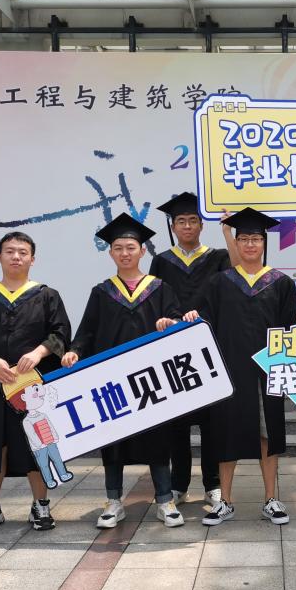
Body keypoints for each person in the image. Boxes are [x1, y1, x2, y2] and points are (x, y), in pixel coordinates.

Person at [62, 213, 185, 529]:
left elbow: (176, 321)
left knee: (158, 438)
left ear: (142, 251)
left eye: (131, 247)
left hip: (150, 380)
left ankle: (165, 500)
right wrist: (75, 350)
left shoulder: (159, 288)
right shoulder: (102, 291)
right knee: (112, 439)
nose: (125, 253)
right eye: (118, 248)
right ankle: (113, 502)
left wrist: (171, 323)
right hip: (112, 381)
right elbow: (88, 330)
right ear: (111, 253)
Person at [182, 208, 296, 526]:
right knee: (226, 436)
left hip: (266, 372)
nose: (249, 244)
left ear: (264, 243)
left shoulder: (281, 283)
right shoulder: (220, 282)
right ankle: (225, 502)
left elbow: (289, 330)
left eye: (255, 239)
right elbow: (205, 320)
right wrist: (193, 317)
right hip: (229, 372)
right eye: (243, 238)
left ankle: (271, 499)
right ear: (236, 242)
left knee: (267, 435)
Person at [0, 231, 71, 534]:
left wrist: (38, 352)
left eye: (22, 252)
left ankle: (41, 503)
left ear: (33, 258)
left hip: (32, 385)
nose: (16, 256)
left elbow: (60, 333)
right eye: (9, 251)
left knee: (36, 440)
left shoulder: (46, 296)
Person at [150, 192, 237, 509]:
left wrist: (228, 231)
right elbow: (154, 299)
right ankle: (178, 484)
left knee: (212, 423)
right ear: (173, 226)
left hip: (209, 348)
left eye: (192, 220)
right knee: (177, 423)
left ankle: (212, 484)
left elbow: (232, 286)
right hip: (173, 351)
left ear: (201, 225)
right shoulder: (162, 261)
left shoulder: (217, 257)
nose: (187, 226)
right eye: (181, 221)